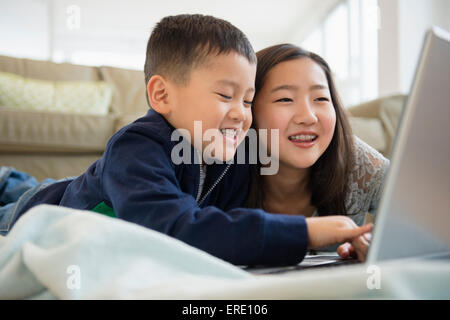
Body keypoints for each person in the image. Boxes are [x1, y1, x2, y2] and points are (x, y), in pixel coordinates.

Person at [0, 14, 372, 266]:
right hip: (35, 213)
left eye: (247, 99)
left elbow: (230, 230)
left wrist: (331, 243)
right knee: (24, 195)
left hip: (93, 197)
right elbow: (177, 228)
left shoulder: (234, 158)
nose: (243, 114)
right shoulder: (137, 147)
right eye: (226, 96)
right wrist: (304, 233)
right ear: (161, 95)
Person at [246, 44, 389, 261]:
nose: (308, 116)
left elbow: (422, 240)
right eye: (285, 99)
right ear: (248, 109)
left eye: (321, 99)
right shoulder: (217, 167)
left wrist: (376, 249)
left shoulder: (364, 165)